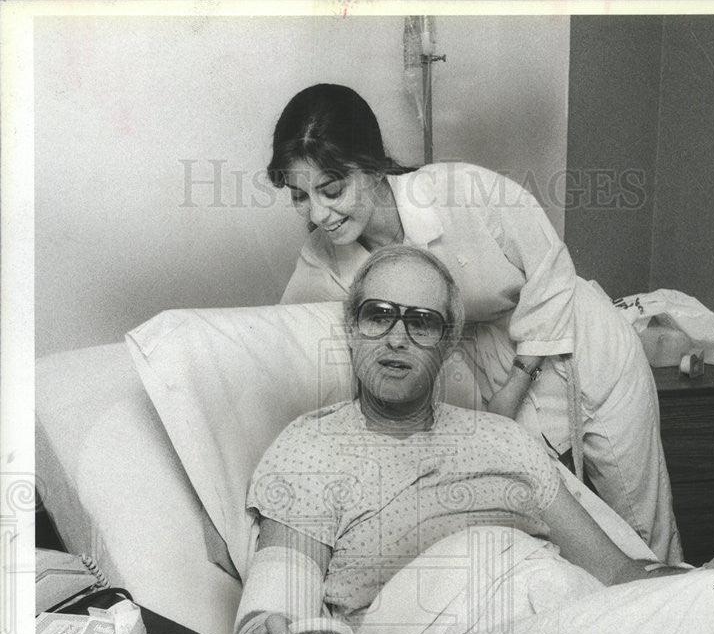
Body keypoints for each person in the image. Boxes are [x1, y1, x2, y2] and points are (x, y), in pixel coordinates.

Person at [229, 245, 714, 634]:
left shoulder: (504, 440)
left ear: (447, 345)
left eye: (421, 322)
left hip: (562, 632)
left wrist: (699, 581)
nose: (397, 337)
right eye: (379, 315)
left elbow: (616, 574)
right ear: (352, 329)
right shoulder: (313, 447)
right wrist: (258, 633)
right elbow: (281, 602)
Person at [267, 83, 683, 563]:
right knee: (559, 525)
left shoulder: (461, 190)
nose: (318, 214)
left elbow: (550, 269)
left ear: (374, 165)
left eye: (331, 190)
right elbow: (278, 338)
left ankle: (682, 598)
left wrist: (514, 387)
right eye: (300, 196)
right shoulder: (324, 255)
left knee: (639, 522)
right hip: (495, 370)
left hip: (580, 344)